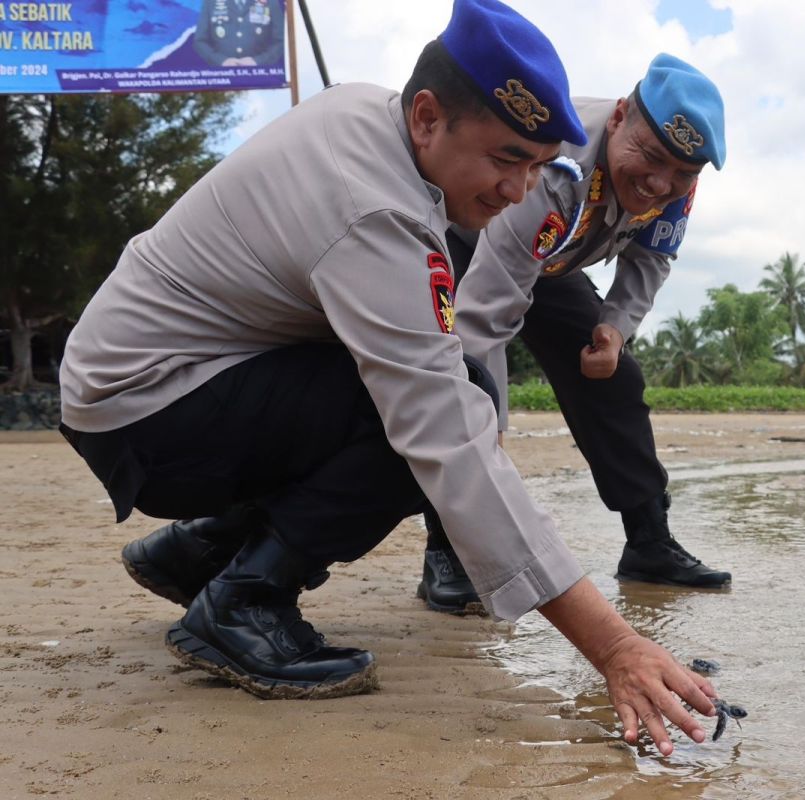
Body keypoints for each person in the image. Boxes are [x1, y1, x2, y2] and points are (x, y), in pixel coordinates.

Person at [58, 0, 715, 755]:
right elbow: (444, 428)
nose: (519, 191)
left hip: (174, 377)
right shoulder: (374, 206)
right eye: (506, 160)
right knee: (435, 417)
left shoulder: (371, 122)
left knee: (445, 393)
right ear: (429, 117)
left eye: (537, 166)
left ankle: (203, 553)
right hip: (145, 406)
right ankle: (242, 602)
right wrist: (615, 647)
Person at [416, 54, 732, 614]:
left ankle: (650, 542)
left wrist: (614, 329)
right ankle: (448, 549)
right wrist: (490, 433)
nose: (661, 183)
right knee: (462, 391)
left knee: (615, 379)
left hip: (551, 262)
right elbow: (485, 318)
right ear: (617, 119)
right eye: (650, 158)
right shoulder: (555, 168)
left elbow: (650, 261)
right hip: (466, 241)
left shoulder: (677, 178)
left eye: (682, 174)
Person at [193, 0, 285, 67]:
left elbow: (280, 41)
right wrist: (221, 61)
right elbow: (200, 41)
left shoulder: (270, 2)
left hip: (260, 77)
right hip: (221, 78)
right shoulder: (211, 3)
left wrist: (258, 61)